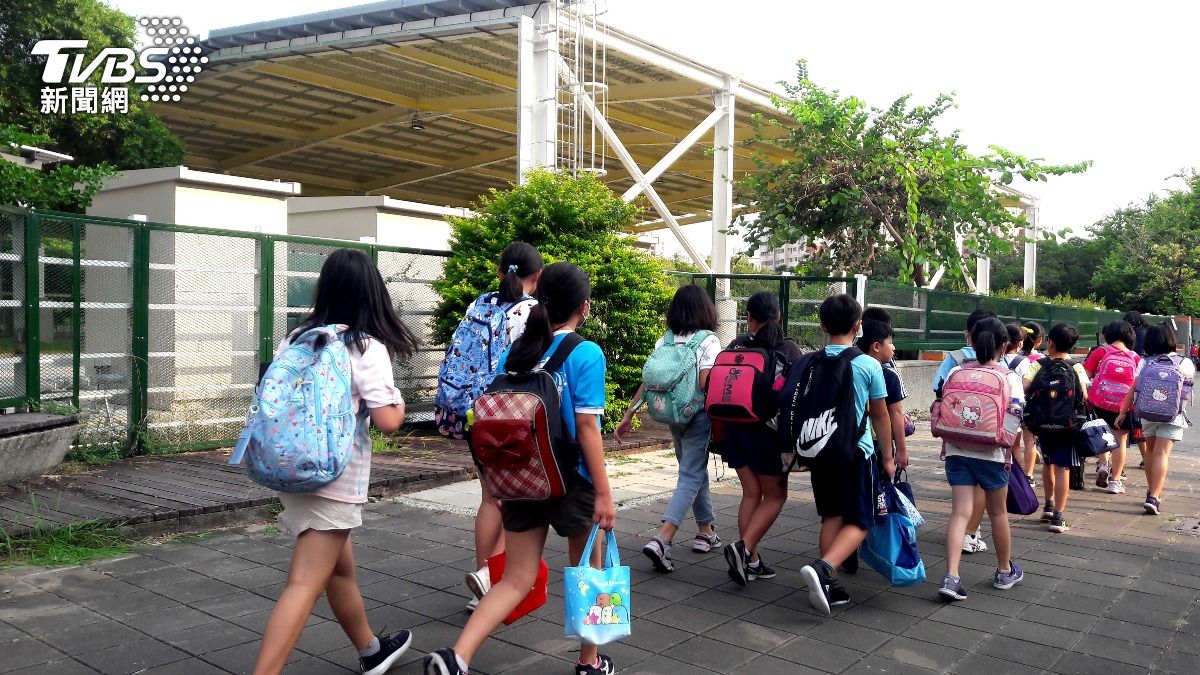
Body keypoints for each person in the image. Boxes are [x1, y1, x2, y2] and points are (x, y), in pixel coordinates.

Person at [424, 262, 617, 675]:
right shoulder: (586, 353)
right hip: (572, 482)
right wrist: (604, 492)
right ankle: (590, 662)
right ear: (583, 307)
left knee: (515, 578)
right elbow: (587, 427)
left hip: (520, 475)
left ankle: (457, 657)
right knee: (590, 574)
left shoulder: (520, 349)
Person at [253, 249, 420, 675]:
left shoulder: (297, 338)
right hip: (336, 476)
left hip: (292, 467)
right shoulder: (364, 346)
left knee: (339, 571)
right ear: (372, 293)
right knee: (304, 583)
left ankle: (371, 651)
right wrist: (397, 399)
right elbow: (388, 422)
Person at [436, 242, 544, 612]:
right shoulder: (531, 312)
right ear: (538, 276)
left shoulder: (478, 304)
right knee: (510, 499)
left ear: (500, 272)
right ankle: (492, 579)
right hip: (508, 411)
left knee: (489, 497)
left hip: (471, 411)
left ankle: (484, 579)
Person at [797, 294, 894, 615]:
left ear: (823, 325)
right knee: (861, 519)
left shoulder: (812, 360)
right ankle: (825, 569)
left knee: (832, 516)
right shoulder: (868, 364)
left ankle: (831, 585)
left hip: (819, 447)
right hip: (856, 452)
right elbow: (880, 415)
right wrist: (889, 456)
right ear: (859, 326)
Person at [617, 285, 724, 571]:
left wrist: (629, 414)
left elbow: (649, 381)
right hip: (697, 414)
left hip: (671, 415)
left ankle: (706, 532)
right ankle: (663, 539)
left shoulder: (664, 341)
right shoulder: (707, 341)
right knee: (690, 474)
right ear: (706, 310)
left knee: (693, 471)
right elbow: (704, 383)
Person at [720, 292, 806, 586]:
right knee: (776, 495)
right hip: (767, 434)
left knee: (751, 494)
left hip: (733, 431)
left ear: (749, 318)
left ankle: (752, 561)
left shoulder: (736, 346)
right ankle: (743, 549)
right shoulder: (788, 350)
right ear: (779, 317)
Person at [936, 317, 1025, 601]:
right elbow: (1015, 417)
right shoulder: (1009, 377)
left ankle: (952, 576)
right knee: (998, 512)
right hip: (993, 454)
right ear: (1004, 345)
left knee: (959, 514)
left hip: (957, 450)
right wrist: (1010, 452)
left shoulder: (956, 373)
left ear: (971, 340)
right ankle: (1003, 571)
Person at [933, 309, 997, 556]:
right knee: (981, 484)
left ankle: (962, 534)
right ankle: (972, 532)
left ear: (968, 334)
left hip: (957, 434)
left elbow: (938, 389)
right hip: (988, 437)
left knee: (962, 488)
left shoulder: (955, 358)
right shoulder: (999, 362)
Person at [1116, 323, 1195, 516]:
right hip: (1172, 415)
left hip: (1147, 413)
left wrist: (1123, 412)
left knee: (1150, 452)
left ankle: (1151, 491)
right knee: (1162, 454)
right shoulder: (1184, 363)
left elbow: (1133, 389)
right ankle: (1154, 496)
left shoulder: (1145, 362)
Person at [1024, 324, 1090, 533]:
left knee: (1048, 463)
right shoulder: (1076, 367)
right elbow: (1085, 396)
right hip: (1067, 426)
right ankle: (1059, 517)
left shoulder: (1039, 365)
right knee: (1063, 468)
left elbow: (1024, 387)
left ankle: (1049, 505)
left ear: (1050, 343)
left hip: (1042, 424)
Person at [1083, 320, 1140, 495]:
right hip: (1124, 406)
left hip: (1100, 402)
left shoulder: (1101, 352)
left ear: (1109, 335)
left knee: (1102, 435)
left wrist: (1087, 398)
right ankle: (1115, 481)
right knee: (1120, 441)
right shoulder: (1135, 357)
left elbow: (1085, 376)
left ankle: (1102, 465)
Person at [1018, 321, 1046, 480]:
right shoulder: (1041, 359)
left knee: (1014, 442)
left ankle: (1012, 473)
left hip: (1014, 402)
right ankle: (1028, 475)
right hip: (1033, 404)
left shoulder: (1013, 356)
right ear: (1040, 340)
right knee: (1030, 440)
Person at [1124, 312, 1150, 470]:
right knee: (1140, 420)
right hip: (1148, 375)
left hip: (1130, 377)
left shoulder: (1128, 334)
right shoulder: (1148, 332)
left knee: (1128, 421)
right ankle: (1147, 456)